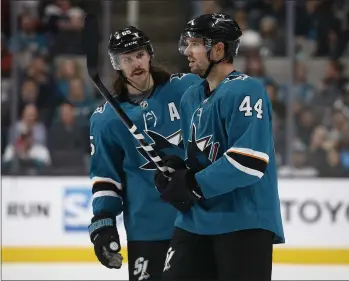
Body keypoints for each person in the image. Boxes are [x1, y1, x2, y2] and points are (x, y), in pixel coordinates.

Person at [154, 13, 285, 281]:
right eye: (186, 43)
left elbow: (250, 162)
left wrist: (191, 183)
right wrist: (175, 168)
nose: (187, 51)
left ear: (218, 49)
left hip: (244, 221)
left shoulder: (246, 90)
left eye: (194, 44)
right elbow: (198, 153)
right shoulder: (192, 96)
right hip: (195, 221)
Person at [87, 26, 201, 280]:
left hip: (196, 221)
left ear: (149, 54)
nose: (135, 63)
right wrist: (104, 222)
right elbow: (105, 177)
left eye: (138, 55)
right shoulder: (106, 119)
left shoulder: (187, 89)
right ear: (117, 64)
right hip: (146, 229)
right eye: (125, 59)